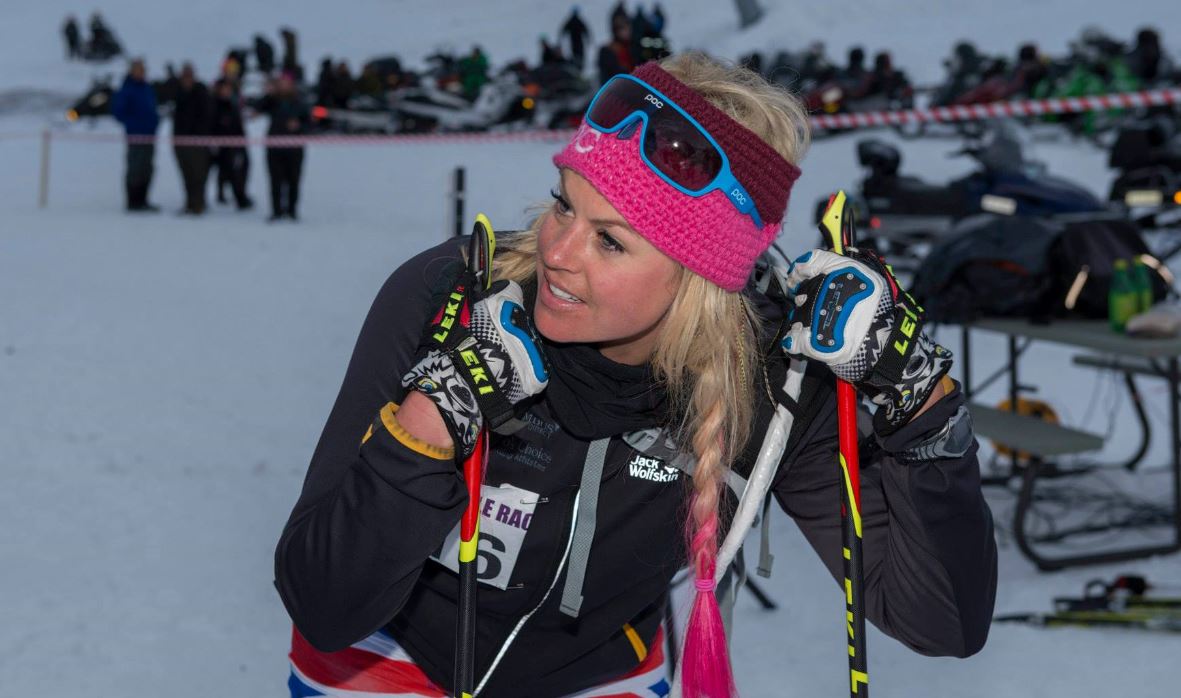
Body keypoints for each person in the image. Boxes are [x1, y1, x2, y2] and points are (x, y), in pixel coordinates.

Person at [274, 53, 997, 697]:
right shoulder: (452, 299)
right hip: (387, 659)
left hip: (597, 674)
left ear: (700, 281)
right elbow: (323, 604)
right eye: (564, 204)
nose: (557, 252)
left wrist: (918, 397)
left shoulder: (770, 385)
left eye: (610, 242)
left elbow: (940, 623)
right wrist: (436, 414)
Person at [110, 58, 160, 212]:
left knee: (147, 168)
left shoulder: (147, 88)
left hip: (149, 135)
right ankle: (133, 202)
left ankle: (143, 200)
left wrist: (154, 121)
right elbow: (118, 112)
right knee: (135, 168)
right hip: (135, 135)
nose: (141, 72)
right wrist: (133, 123)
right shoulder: (127, 89)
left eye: (143, 70)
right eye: (138, 70)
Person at [258, 73, 309, 221]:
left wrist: (299, 126)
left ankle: (292, 210)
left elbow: (310, 123)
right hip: (274, 148)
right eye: (281, 83)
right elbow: (258, 107)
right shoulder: (272, 100)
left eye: (286, 83)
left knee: (293, 181)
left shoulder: (300, 101)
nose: (284, 86)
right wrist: (268, 93)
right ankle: (276, 210)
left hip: (295, 149)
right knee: (275, 181)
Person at [171, 63, 213, 215]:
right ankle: (190, 202)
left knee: (198, 174)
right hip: (180, 141)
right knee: (186, 174)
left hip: (198, 141)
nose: (187, 79)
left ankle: (198, 204)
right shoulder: (178, 92)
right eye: (184, 76)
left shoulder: (201, 92)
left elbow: (207, 115)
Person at [211, 78, 252, 210]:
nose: (226, 91)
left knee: (242, 168)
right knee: (231, 171)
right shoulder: (215, 104)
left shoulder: (234, 102)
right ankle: (238, 198)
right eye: (224, 88)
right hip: (225, 144)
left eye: (228, 88)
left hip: (238, 141)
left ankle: (240, 195)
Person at [560, 6, 591, 70]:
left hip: (574, 41)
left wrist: (561, 37)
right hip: (578, 41)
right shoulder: (579, 21)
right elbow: (586, 31)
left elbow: (564, 30)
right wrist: (588, 38)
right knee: (579, 54)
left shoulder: (571, 21)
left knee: (576, 54)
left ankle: (577, 66)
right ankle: (579, 67)